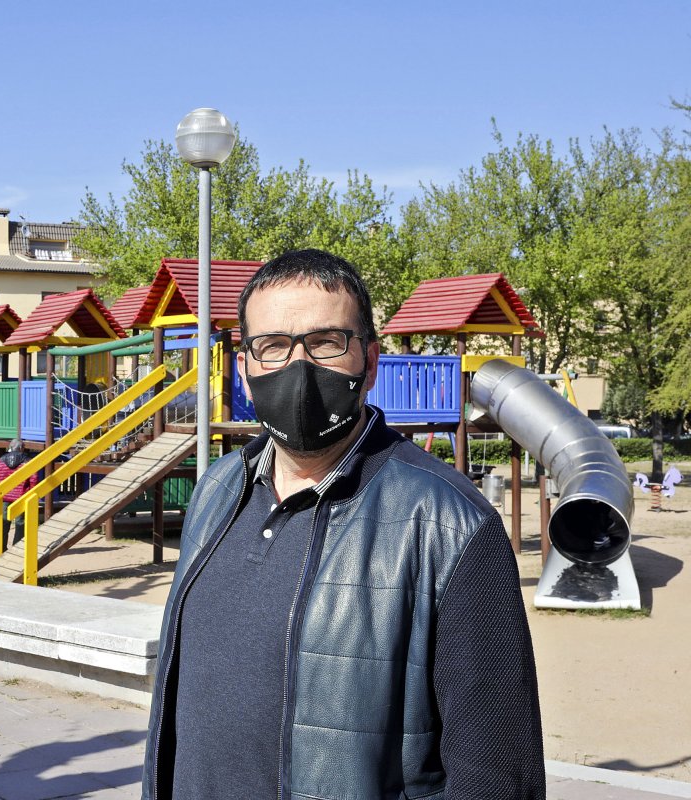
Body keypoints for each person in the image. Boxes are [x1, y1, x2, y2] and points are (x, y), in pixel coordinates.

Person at [143, 249, 544, 800]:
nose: (298, 367)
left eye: (328, 342)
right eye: (273, 345)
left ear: (371, 362)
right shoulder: (217, 491)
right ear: (245, 367)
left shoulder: (450, 525)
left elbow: (498, 778)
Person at [0, 438, 38, 546]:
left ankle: (1, 548)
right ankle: (17, 546)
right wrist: (30, 492)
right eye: (24, 447)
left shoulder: (1, 460)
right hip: (21, 497)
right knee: (20, 523)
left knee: (4, 523)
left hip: (4, 497)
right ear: (20, 448)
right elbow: (34, 478)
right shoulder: (27, 461)